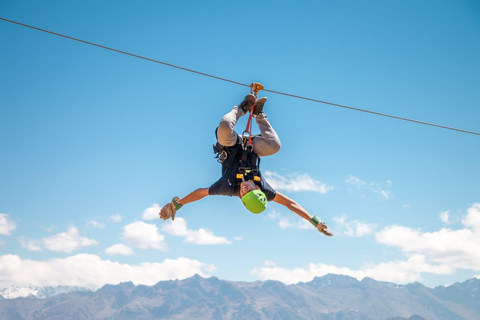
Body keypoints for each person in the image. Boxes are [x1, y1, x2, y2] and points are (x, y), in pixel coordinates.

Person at [159, 94, 332, 236]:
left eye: (243, 193)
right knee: (275, 146)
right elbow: (290, 204)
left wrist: (177, 204)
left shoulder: (227, 188)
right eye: (249, 189)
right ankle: (258, 114)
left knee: (225, 126)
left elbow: (201, 193)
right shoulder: (266, 190)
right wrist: (314, 221)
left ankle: (241, 108)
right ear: (258, 187)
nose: (243, 189)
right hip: (251, 146)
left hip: (229, 143)